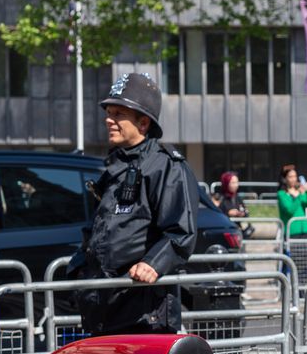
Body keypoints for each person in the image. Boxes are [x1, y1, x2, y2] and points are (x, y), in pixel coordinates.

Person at [69, 73, 198, 336]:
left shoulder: (165, 166)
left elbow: (180, 232)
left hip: (143, 313)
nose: (109, 119)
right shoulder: (114, 168)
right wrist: (79, 272)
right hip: (105, 308)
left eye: (118, 114)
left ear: (143, 123)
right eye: (108, 112)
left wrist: (153, 264)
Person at [277, 164, 307, 290]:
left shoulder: (300, 191)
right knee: (291, 263)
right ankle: (288, 288)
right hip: (291, 233)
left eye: (295, 176)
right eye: (290, 176)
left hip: (303, 231)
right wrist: (299, 196)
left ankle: (301, 288)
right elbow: (289, 210)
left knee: (303, 261)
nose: (293, 179)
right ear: (285, 179)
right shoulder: (282, 194)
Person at [213, 170, 254, 238]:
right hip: (223, 232)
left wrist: (241, 213)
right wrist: (228, 213)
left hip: (237, 232)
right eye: (233, 182)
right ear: (226, 183)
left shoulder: (237, 197)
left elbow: (246, 212)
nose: (236, 185)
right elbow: (215, 215)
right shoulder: (219, 197)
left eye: (237, 182)